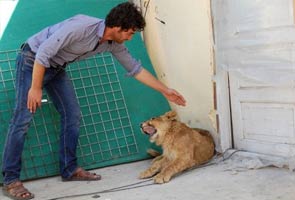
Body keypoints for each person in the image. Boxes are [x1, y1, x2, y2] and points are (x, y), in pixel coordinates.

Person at [1, 2, 186, 200]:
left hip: (56, 67)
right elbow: (44, 52)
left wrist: (166, 91)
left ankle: (69, 168)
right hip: (32, 60)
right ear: (117, 28)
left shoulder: (114, 44)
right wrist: (35, 88)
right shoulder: (81, 26)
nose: (130, 38)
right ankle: (11, 180)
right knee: (22, 120)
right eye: (130, 33)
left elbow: (135, 69)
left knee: (72, 114)